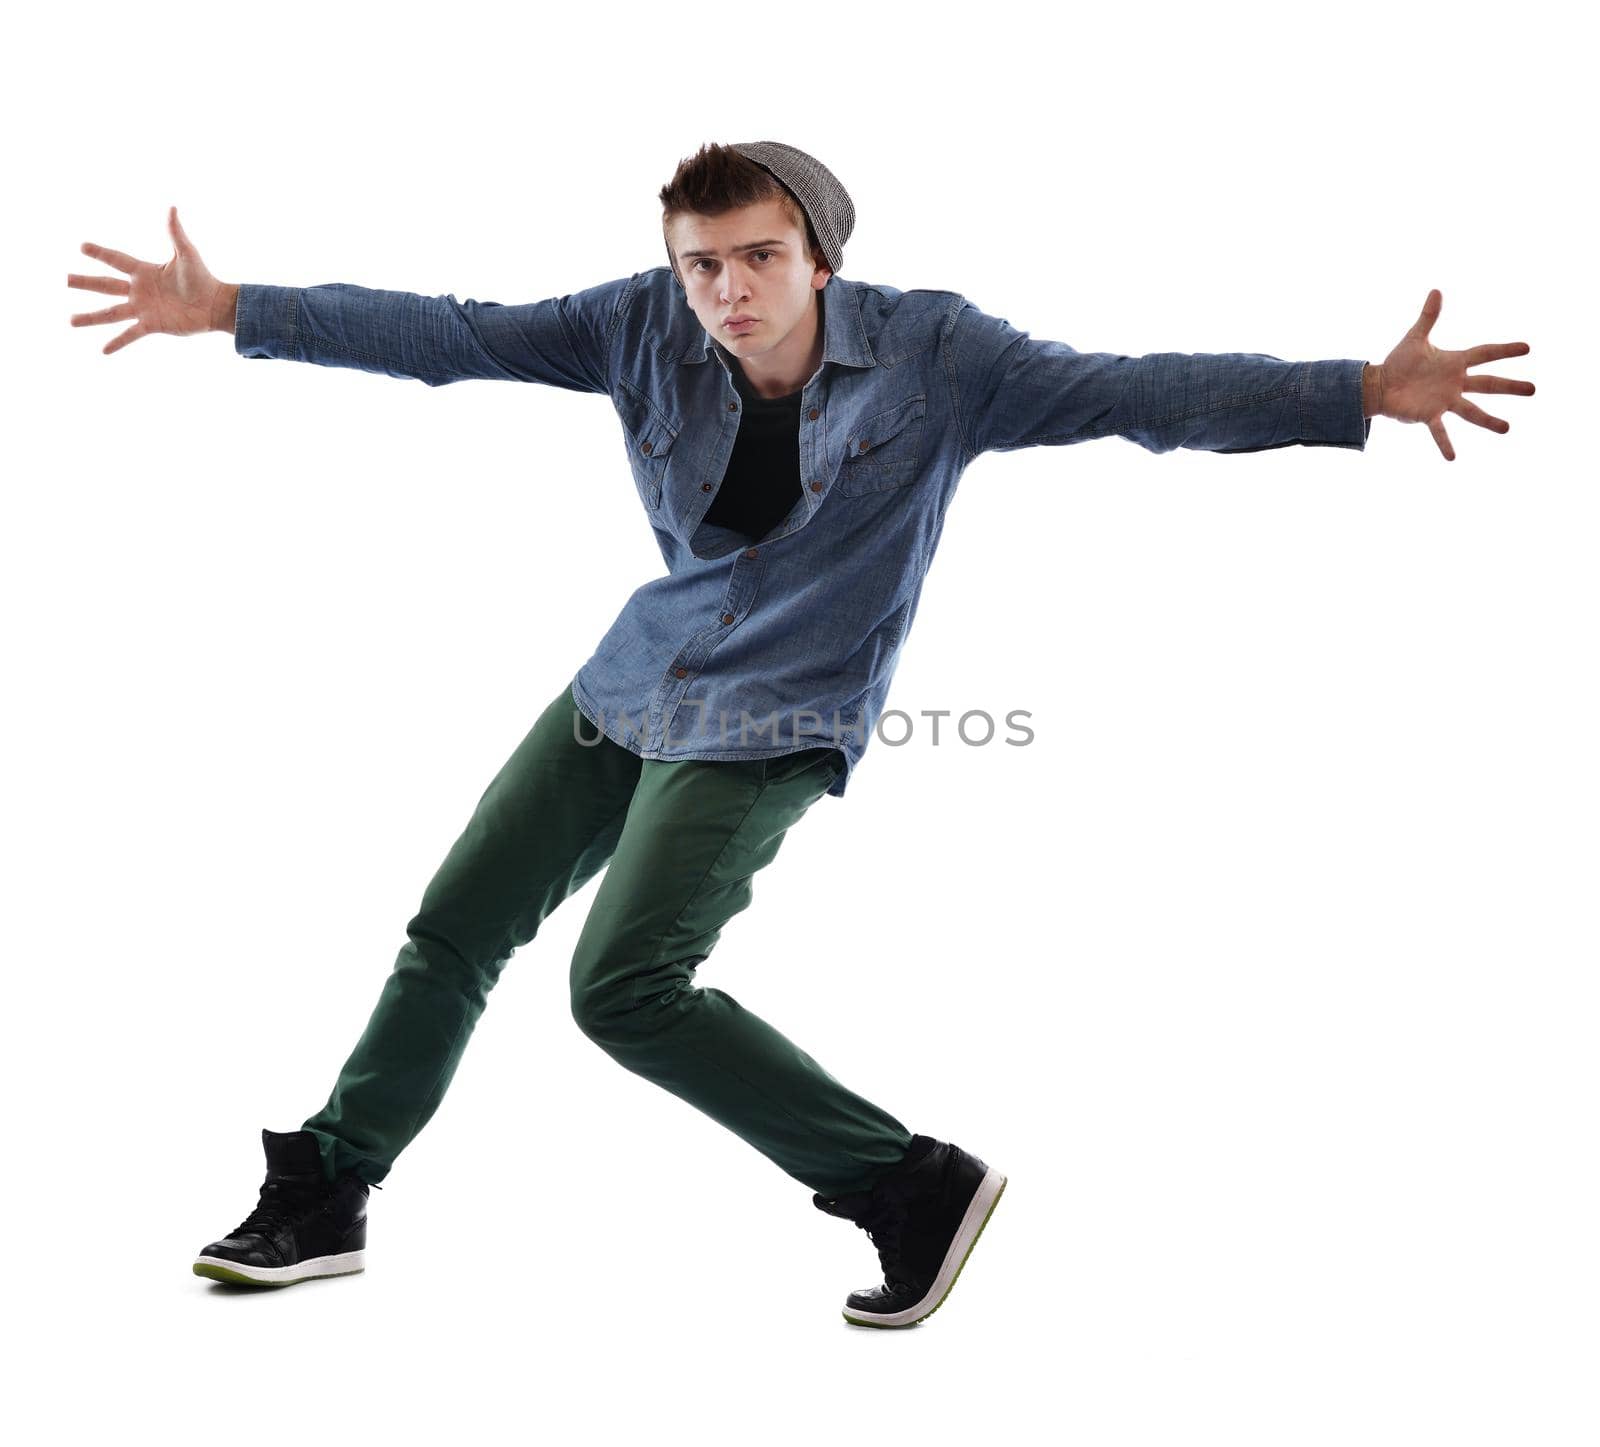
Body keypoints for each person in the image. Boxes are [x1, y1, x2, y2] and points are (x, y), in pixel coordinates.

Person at [67, 140, 1534, 1328]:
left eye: (759, 257)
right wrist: (238, 307)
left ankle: (906, 1185)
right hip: (631, 680)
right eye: (701, 263)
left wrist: (1355, 391)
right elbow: (460, 339)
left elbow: (1133, 394)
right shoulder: (637, 322)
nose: (726, 290)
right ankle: (327, 1190)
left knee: (625, 985)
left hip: (776, 711)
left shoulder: (940, 357)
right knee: (455, 922)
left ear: (821, 253)